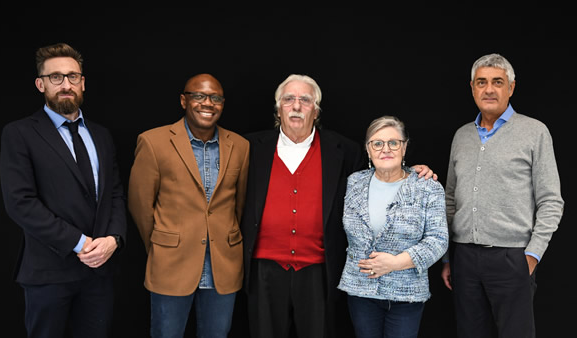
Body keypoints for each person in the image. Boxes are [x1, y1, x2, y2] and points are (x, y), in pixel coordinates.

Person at [240, 74, 436, 338]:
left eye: (305, 100)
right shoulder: (249, 147)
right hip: (263, 268)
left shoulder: (343, 150)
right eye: (289, 99)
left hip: (319, 271)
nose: (296, 106)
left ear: (316, 110)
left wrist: (412, 171)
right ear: (278, 108)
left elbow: (378, 177)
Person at [0, 42, 127, 338]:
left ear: (83, 83)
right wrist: (80, 243)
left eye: (72, 76)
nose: (66, 84)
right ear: (40, 84)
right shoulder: (19, 133)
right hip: (48, 272)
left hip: (100, 272)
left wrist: (114, 239)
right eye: (56, 77)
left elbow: (116, 194)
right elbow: (20, 202)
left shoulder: (102, 135)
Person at [441, 53, 564, 338]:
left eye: (498, 82)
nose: (489, 89)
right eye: (481, 82)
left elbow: (551, 200)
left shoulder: (534, 132)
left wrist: (531, 256)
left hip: (512, 257)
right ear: (472, 88)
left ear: (511, 87)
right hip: (465, 258)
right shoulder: (462, 136)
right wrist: (448, 257)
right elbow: (450, 199)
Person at [128, 73, 250, 338]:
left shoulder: (240, 146)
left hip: (223, 266)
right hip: (170, 263)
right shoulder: (153, 142)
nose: (208, 103)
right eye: (199, 96)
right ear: (184, 101)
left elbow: (240, 206)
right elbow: (140, 205)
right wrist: (161, 243)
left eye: (215, 98)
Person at [337, 115, 448, 338]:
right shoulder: (353, 182)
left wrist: (396, 263)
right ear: (368, 150)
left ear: (404, 147)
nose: (385, 149)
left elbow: (438, 240)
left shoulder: (427, 187)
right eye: (377, 143)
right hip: (361, 291)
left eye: (393, 143)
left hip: (406, 295)